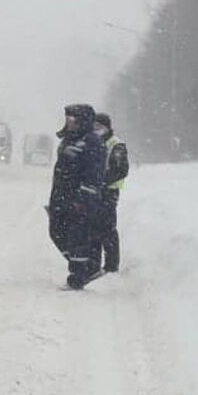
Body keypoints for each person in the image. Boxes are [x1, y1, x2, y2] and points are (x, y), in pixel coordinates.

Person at [49, 103, 107, 289]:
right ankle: (87, 266)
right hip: (62, 198)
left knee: (78, 237)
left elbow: (94, 174)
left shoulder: (92, 143)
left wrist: (83, 199)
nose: (69, 123)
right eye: (67, 120)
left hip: (79, 201)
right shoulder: (70, 140)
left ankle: (78, 276)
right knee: (57, 232)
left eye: (72, 120)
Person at [93, 111, 128, 274]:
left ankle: (112, 265)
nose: (96, 129)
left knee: (107, 228)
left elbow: (120, 170)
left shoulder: (116, 144)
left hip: (109, 192)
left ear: (107, 127)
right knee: (93, 227)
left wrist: (102, 181)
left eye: (99, 126)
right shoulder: (93, 142)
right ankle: (94, 261)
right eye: (94, 126)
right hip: (94, 191)